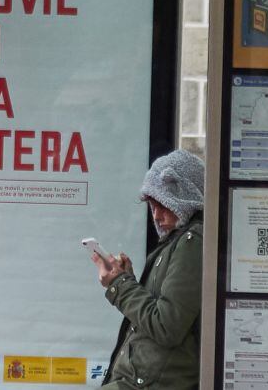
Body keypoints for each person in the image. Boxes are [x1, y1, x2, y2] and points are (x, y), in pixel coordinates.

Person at [90, 149, 204, 389]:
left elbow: (166, 326)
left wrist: (120, 285)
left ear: (185, 196)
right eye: (152, 206)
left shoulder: (193, 241)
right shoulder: (178, 241)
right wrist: (126, 280)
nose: (156, 216)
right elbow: (158, 312)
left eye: (163, 205)